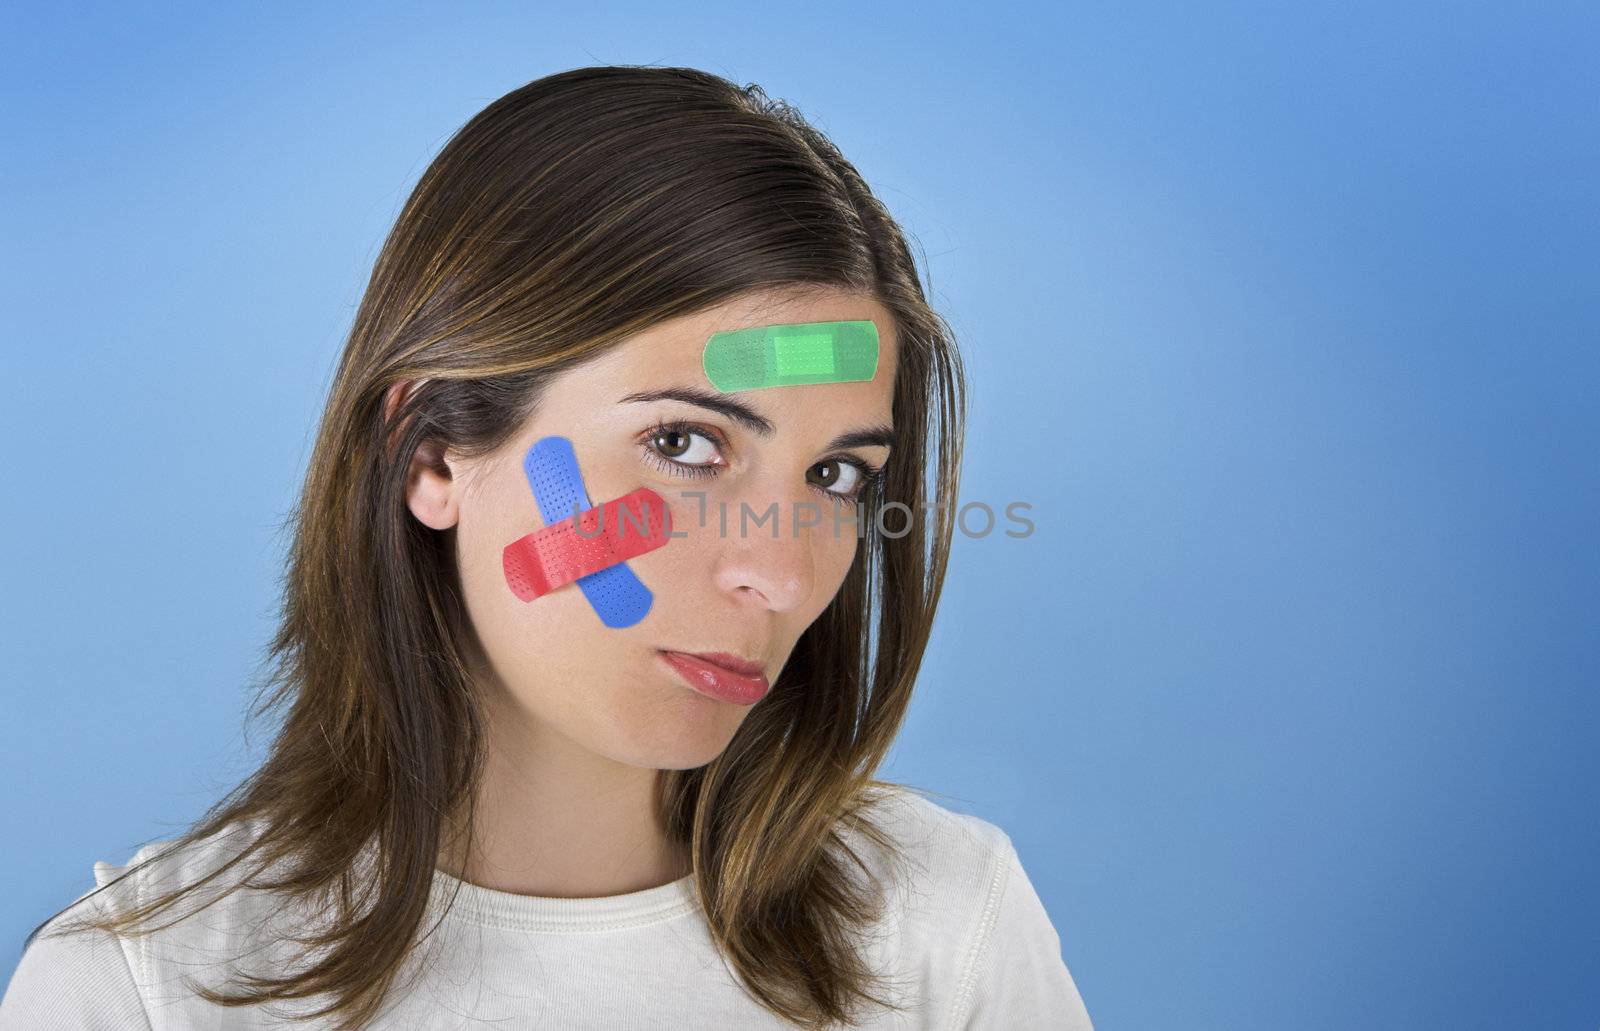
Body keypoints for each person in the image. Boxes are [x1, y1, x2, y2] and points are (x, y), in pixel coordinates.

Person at [0, 65, 1094, 1029]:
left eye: (836, 473)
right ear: (430, 454)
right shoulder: (144, 991)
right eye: (684, 442)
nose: (782, 569)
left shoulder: (943, 925)